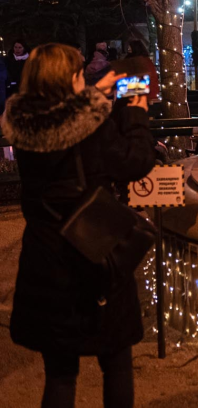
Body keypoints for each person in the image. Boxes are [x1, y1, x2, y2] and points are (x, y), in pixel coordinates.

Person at [0, 43, 155, 408]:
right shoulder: (94, 129)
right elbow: (136, 162)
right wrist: (137, 110)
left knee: (60, 374)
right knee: (116, 363)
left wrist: (95, 94)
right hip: (94, 256)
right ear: (71, 79)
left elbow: (63, 119)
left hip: (46, 260)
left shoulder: (22, 127)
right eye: (80, 74)